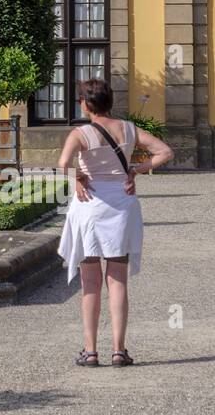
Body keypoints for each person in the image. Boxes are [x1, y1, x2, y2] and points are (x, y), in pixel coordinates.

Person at [57, 79, 173, 368]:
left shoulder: (81, 133)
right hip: (122, 204)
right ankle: (119, 350)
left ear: (85, 103)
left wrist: (78, 177)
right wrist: (136, 169)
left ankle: (90, 350)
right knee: (118, 280)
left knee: (90, 282)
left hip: (90, 207)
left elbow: (62, 163)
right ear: (110, 102)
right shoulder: (129, 129)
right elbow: (165, 152)